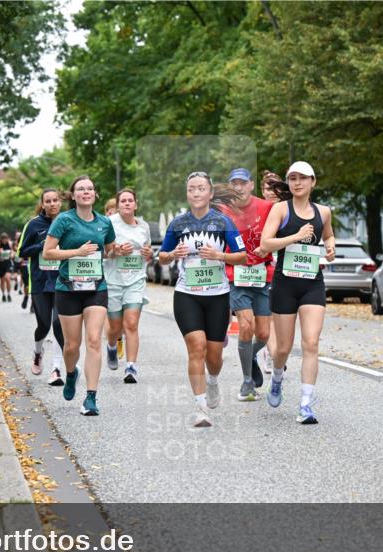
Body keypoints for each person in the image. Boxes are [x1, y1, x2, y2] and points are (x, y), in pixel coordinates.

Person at [158, 171, 247, 427]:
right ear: (187, 194)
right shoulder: (177, 224)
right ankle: (200, 409)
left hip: (218, 295)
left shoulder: (223, 223)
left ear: (209, 193)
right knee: (196, 346)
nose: (196, 193)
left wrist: (219, 257)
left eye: (201, 189)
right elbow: (161, 257)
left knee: (214, 355)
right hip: (187, 294)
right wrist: (173, 253)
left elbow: (241, 256)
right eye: (191, 189)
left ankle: (213, 381)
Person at [259, 161, 335, 424]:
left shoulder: (323, 212)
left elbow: (328, 236)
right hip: (285, 283)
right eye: (292, 178)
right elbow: (266, 243)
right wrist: (295, 236)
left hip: (312, 281)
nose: (297, 183)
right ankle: (277, 377)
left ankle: (305, 405)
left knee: (311, 343)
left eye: (303, 178)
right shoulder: (281, 209)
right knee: (282, 348)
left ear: (313, 182)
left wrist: (331, 248)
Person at [42, 176, 117, 416]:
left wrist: (117, 250)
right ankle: (71, 373)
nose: (86, 192)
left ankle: (91, 397)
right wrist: (78, 252)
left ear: (96, 195)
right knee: (72, 345)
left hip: (96, 288)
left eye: (90, 189)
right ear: (73, 196)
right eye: (81, 189)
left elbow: (109, 251)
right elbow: (48, 252)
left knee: (94, 339)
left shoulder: (105, 223)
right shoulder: (64, 220)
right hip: (68, 289)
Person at [216, 168, 275, 401]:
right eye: (234, 184)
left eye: (243, 183)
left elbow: (278, 233)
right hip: (236, 276)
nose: (239, 188)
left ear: (251, 185)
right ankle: (247, 382)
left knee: (263, 334)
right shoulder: (223, 211)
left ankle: (249, 355)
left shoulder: (266, 208)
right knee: (246, 326)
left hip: (263, 276)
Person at [18, 188, 67, 384]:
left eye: (56, 200)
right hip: (39, 281)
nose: (53, 204)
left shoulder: (67, 222)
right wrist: (43, 245)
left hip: (62, 281)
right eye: (48, 201)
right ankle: (38, 352)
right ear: (43, 204)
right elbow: (22, 251)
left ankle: (57, 368)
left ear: (60, 202)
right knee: (44, 325)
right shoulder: (33, 225)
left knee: (58, 324)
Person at [104, 188, 153, 383]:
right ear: (117, 205)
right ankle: (111, 346)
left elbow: (148, 252)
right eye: (122, 200)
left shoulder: (143, 226)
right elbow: (104, 252)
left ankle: (131, 367)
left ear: (135, 204)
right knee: (115, 328)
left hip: (135, 280)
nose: (126, 203)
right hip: (114, 281)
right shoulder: (109, 224)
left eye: (130, 200)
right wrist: (116, 251)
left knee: (131, 324)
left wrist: (148, 255)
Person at [258, 170, 283, 374]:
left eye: (276, 187)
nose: (273, 192)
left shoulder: (288, 209)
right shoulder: (257, 211)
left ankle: (274, 352)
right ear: (262, 191)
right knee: (268, 315)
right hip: (262, 268)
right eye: (268, 188)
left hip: (285, 266)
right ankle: (271, 353)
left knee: (280, 315)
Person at [0, 232, 14, 302]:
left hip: (8, 263)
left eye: (5, 239)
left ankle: (9, 294)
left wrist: (12, 254)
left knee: (7, 278)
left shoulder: (9, 243)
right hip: (0, 264)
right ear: (1, 239)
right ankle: (3, 294)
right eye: (3, 239)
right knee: (2, 281)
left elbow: (12, 251)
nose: (4, 241)